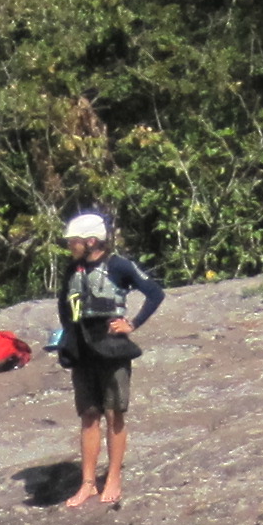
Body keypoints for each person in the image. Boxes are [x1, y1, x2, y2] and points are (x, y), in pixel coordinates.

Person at [56, 211, 166, 508]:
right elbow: (64, 307)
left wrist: (133, 323)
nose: (71, 247)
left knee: (114, 412)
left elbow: (155, 293)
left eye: (74, 242)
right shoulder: (72, 270)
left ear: (91, 241)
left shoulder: (119, 266)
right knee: (88, 415)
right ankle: (88, 482)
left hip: (112, 348)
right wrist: (66, 339)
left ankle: (114, 476)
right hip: (83, 349)